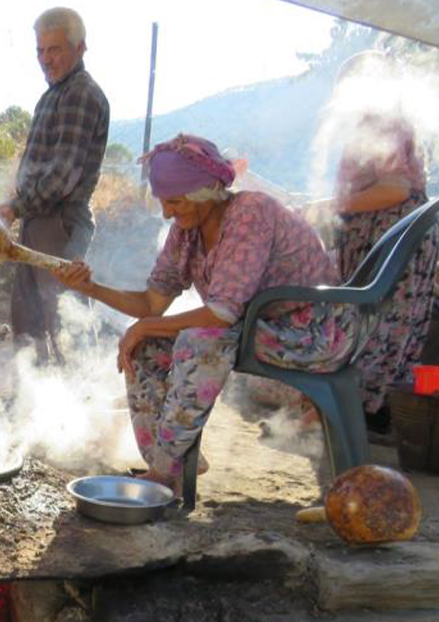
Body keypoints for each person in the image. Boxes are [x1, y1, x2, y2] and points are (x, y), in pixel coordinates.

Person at [52, 134, 355, 491]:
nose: (167, 212)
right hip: (256, 326)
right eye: (163, 202)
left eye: (175, 201)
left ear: (205, 192)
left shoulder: (251, 213)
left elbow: (221, 314)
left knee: (199, 341)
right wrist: (91, 288)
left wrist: (146, 326)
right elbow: (151, 305)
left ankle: (164, 472)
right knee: (145, 346)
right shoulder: (186, 231)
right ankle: (173, 463)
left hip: (313, 330)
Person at [309, 51, 439, 433]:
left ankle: (363, 412)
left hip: (392, 239)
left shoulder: (386, 122)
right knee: (372, 325)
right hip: (382, 238)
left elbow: (395, 189)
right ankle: (366, 413)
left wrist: (329, 206)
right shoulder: (376, 122)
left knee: (377, 327)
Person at [0, 6, 109, 364]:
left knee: (65, 322)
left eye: (55, 49)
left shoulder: (80, 94)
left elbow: (63, 176)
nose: (46, 59)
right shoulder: (54, 94)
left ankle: (82, 391)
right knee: (28, 319)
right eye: (40, 51)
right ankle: (37, 392)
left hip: (60, 223)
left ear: (80, 48)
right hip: (40, 219)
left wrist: (16, 207)